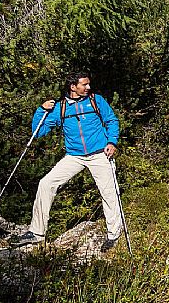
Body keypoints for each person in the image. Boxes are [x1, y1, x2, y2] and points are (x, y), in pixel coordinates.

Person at [10, 72, 124, 251]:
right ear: (73, 87)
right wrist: (41, 110)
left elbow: (111, 120)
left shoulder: (96, 100)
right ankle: (37, 233)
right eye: (84, 84)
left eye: (88, 84)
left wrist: (112, 142)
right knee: (46, 183)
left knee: (109, 193)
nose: (88, 87)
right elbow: (38, 132)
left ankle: (113, 235)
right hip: (74, 156)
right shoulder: (60, 108)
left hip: (100, 153)